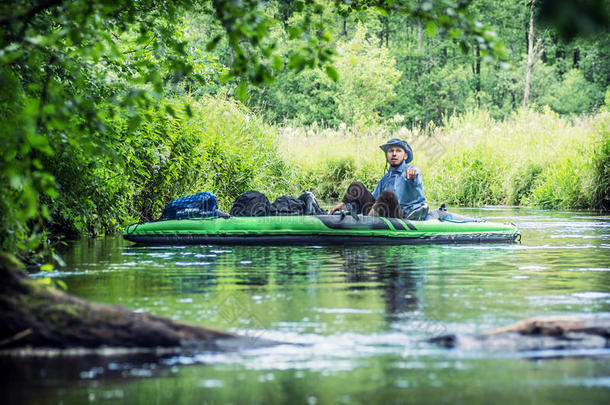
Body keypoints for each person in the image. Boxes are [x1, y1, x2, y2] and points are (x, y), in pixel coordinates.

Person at [329, 138, 428, 220]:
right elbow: (373, 201)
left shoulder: (411, 170)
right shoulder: (385, 178)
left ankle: (367, 222)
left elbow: (416, 178)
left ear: (405, 155)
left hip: (401, 217)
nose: (394, 154)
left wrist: (412, 175)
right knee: (357, 186)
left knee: (388, 195)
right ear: (386, 155)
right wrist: (345, 204)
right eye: (391, 151)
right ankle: (343, 211)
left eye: (398, 151)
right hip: (379, 213)